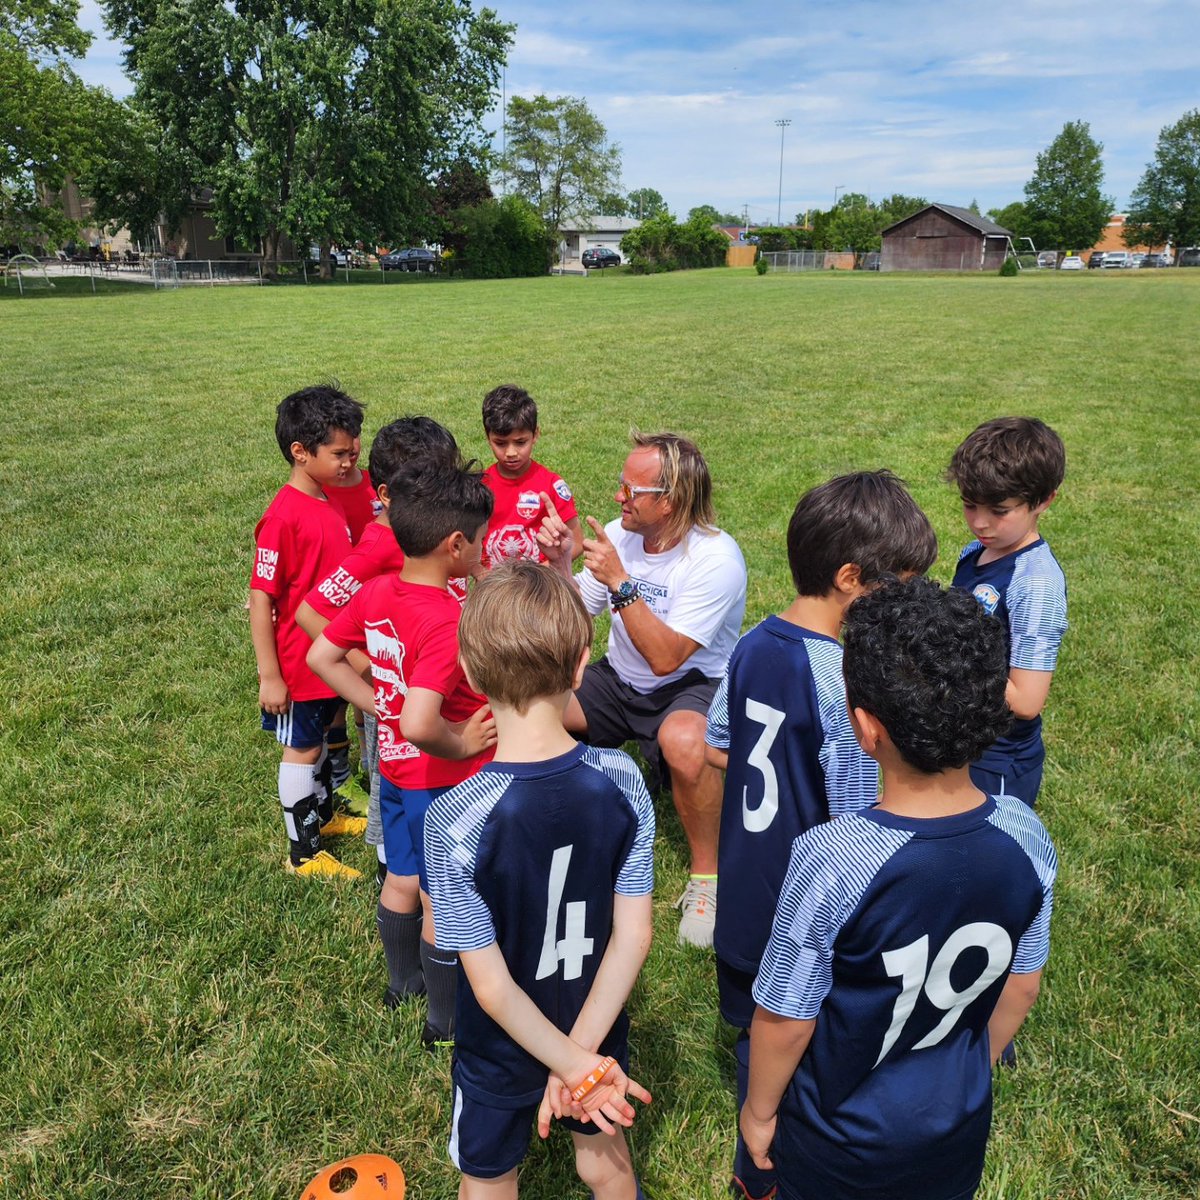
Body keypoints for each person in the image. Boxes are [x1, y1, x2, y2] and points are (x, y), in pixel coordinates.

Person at [742, 577, 1058, 1200]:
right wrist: (971, 1071)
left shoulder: (833, 859)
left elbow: (786, 1020)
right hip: (956, 1133)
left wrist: (757, 1114)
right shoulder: (1026, 835)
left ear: (866, 727)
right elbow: (1021, 985)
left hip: (836, 1143)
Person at [705, 471, 938, 1200]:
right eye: (895, 586)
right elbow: (857, 818)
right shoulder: (841, 677)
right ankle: (776, 1166)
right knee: (804, 1043)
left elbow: (718, 744)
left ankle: (755, 1163)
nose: (901, 602)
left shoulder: (751, 647)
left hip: (745, 894)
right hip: (808, 913)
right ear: (848, 578)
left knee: (753, 1029)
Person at [424, 560, 655, 1200]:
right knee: (605, 1164)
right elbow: (633, 938)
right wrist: (584, 1058)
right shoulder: (624, 781)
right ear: (583, 666)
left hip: (501, 1047)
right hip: (595, 1021)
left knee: (490, 1177)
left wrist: (569, 1066)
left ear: (469, 674)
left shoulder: (452, 817)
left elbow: (492, 988)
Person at [307, 459, 496, 1045]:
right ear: (456, 544)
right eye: (481, 542)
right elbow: (421, 721)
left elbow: (321, 657)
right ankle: (444, 1023)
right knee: (445, 898)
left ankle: (402, 986)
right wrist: (461, 739)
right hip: (444, 781)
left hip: (393, 772)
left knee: (401, 877)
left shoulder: (379, 590)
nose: (484, 552)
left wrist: (380, 706)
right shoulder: (444, 619)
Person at [539, 431, 747, 948]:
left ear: (669, 502)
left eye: (630, 490)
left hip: (690, 683)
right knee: (535, 710)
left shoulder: (716, 560)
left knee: (682, 741)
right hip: (620, 679)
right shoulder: (620, 534)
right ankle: (551, 829)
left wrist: (621, 582)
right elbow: (576, 618)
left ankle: (707, 879)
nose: (618, 499)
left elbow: (666, 657)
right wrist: (563, 566)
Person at [296, 417, 462, 884]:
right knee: (398, 794)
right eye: (427, 488)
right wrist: (370, 674)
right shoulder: (382, 544)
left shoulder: (434, 534)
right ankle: (398, 879)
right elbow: (312, 611)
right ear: (387, 494)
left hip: (442, 690)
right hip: (403, 707)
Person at [249, 384, 367, 880]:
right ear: (300, 452)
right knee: (301, 748)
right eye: (339, 454)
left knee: (320, 738)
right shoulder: (282, 517)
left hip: (331, 655)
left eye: (354, 452)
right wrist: (270, 676)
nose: (349, 463)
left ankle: (325, 815)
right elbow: (261, 600)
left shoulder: (328, 497)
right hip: (300, 664)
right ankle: (303, 854)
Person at [946, 417, 1067, 807]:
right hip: (961, 736)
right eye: (969, 505)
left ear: (1044, 500)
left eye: (999, 510)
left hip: (997, 762)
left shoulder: (1036, 583)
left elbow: (1027, 701)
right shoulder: (975, 552)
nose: (980, 522)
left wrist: (950, 656)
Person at [478, 384, 583, 571]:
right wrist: (481, 575)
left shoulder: (551, 485)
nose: (510, 452)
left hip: (538, 590)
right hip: (493, 589)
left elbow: (577, 542)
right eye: (500, 443)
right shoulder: (480, 486)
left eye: (520, 442)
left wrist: (541, 573)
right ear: (488, 437)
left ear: (535, 434)